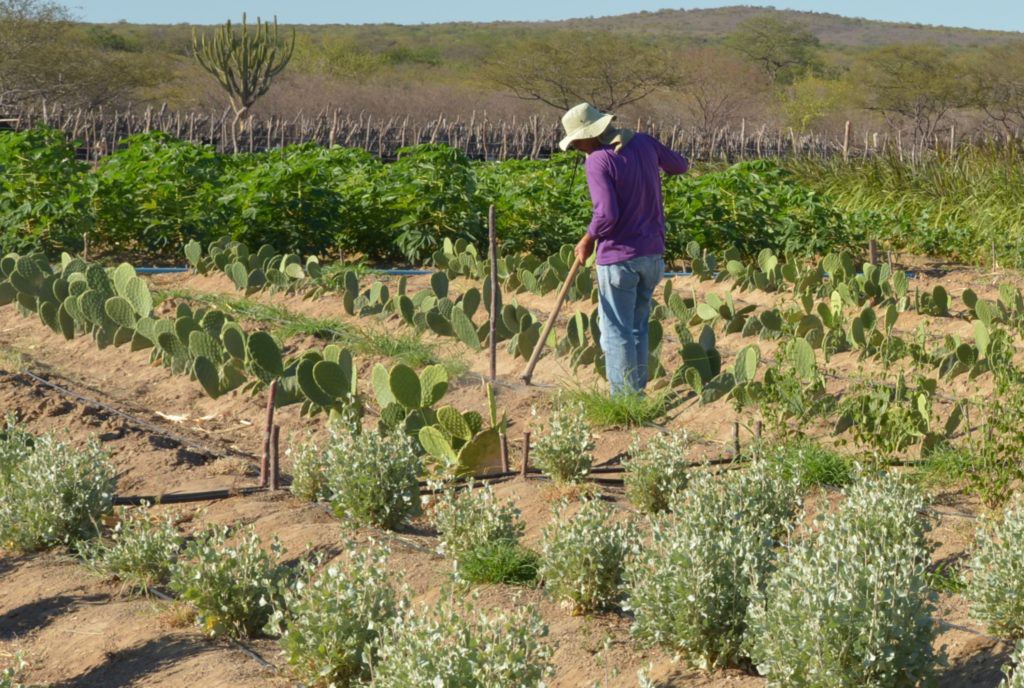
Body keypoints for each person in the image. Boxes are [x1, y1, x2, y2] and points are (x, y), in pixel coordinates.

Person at [559, 102, 689, 396]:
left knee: (616, 332)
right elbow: (679, 165)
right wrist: (645, 156)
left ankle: (624, 401)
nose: (577, 147)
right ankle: (637, 395)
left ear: (592, 134)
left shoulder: (597, 160)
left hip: (618, 258)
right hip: (653, 256)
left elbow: (606, 215)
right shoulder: (643, 141)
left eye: (578, 140)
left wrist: (587, 239)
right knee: (637, 328)